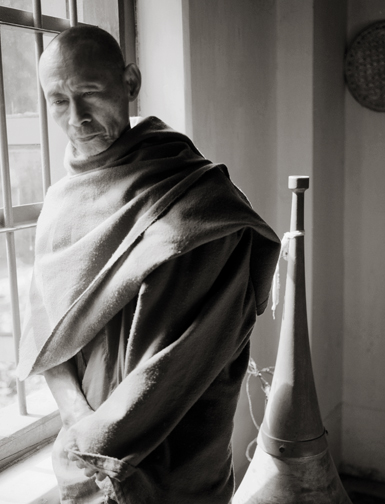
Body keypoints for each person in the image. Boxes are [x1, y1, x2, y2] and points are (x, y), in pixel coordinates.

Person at [17, 25, 280, 504]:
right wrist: (78, 423)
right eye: (58, 100)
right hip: (86, 442)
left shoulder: (198, 200)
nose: (76, 116)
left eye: (90, 92)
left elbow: (183, 358)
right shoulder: (61, 201)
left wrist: (97, 444)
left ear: (130, 83)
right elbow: (47, 330)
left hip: (177, 455)